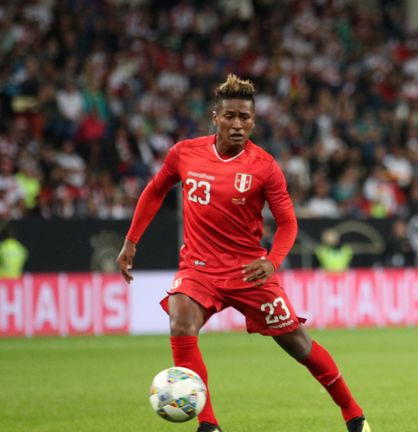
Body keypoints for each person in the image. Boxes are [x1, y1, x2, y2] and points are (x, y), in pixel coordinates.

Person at [117, 75, 370, 432]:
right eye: (231, 116)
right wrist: (131, 241)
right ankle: (208, 425)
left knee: (298, 345)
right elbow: (155, 191)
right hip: (199, 269)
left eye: (245, 118)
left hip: (249, 271)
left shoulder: (264, 167)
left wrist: (272, 261)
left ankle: (354, 414)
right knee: (180, 317)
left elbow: (288, 223)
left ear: (253, 120)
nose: (238, 125)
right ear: (215, 117)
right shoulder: (184, 153)